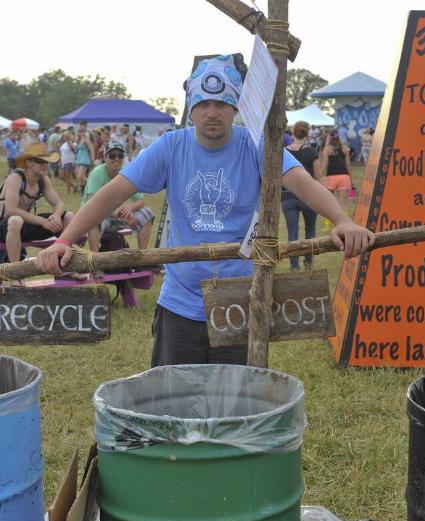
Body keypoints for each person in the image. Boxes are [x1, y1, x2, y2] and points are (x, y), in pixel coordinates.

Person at [36, 53, 374, 367]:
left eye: (222, 103)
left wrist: (342, 220)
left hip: (240, 297)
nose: (212, 112)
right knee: (175, 404)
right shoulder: (171, 146)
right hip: (180, 298)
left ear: (235, 107)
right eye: (204, 103)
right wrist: (65, 240)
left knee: (235, 404)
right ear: (192, 107)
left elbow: (302, 182)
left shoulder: (256, 145)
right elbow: (111, 194)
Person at [0, 143, 75, 263]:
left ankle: (64, 266)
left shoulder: (43, 180)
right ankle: (15, 272)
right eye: (40, 161)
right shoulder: (16, 178)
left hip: (25, 226)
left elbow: (59, 204)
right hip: (4, 228)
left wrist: (56, 215)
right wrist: (43, 222)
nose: (45, 165)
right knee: (16, 220)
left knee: (68, 216)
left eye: (46, 161)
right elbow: (11, 210)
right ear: (29, 163)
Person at [82, 140, 155, 251]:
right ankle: (94, 260)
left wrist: (128, 209)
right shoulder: (97, 173)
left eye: (120, 155)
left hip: (118, 216)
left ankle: (143, 256)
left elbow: (140, 201)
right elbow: (91, 202)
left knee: (147, 213)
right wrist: (116, 212)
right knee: (93, 220)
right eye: (112, 155)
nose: (117, 159)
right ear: (105, 157)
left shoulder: (128, 172)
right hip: (96, 215)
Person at [283, 121, 318, 271]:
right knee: (310, 229)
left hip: (287, 196)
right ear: (307, 133)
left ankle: (294, 265)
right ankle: (308, 262)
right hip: (308, 196)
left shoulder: (284, 152)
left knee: (292, 231)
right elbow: (317, 176)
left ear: (293, 132)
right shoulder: (311, 152)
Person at [317, 130, 352, 212]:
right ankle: (344, 223)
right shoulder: (345, 147)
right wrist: (350, 177)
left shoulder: (327, 149)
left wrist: (320, 175)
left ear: (329, 137)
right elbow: (348, 164)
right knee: (343, 203)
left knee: (329, 202)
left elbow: (325, 163)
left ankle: (328, 224)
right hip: (344, 176)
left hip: (331, 176)